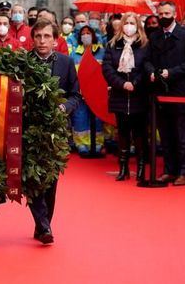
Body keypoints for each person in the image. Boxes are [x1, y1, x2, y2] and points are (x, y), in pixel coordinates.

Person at [28, 18, 81, 244]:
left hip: (56, 130)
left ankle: (43, 223)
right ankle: (43, 224)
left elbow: (76, 95)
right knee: (30, 176)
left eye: (47, 36)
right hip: (29, 129)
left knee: (50, 181)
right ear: (33, 39)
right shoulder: (23, 62)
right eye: (38, 36)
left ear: (55, 39)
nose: (42, 41)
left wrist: (64, 107)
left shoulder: (66, 63)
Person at [144, 1, 185, 186]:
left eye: (167, 13)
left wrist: (172, 72)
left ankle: (184, 171)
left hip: (181, 91)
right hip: (160, 92)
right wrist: (152, 72)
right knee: (165, 135)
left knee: (182, 135)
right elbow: (147, 60)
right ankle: (169, 170)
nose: (163, 17)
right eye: (160, 14)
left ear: (174, 14)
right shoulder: (155, 36)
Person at [102, 12, 150, 181]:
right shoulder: (113, 45)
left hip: (139, 95)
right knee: (122, 132)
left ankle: (141, 167)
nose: (129, 26)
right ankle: (123, 168)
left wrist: (135, 83)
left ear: (138, 26)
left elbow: (146, 67)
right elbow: (107, 69)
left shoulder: (144, 45)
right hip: (119, 95)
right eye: (126, 22)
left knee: (140, 133)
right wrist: (122, 84)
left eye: (132, 23)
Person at [69, 25, 105, 155]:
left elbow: (104, 73)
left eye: (88, 33)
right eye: (83, 33)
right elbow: (73, 75)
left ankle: (98, 144)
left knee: (98, 119)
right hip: (80, 93)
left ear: (94, 35)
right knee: (80, 118)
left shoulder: (101, 52)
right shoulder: (74, 53)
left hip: (97, 93)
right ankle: (82, 144)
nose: (85, 35)